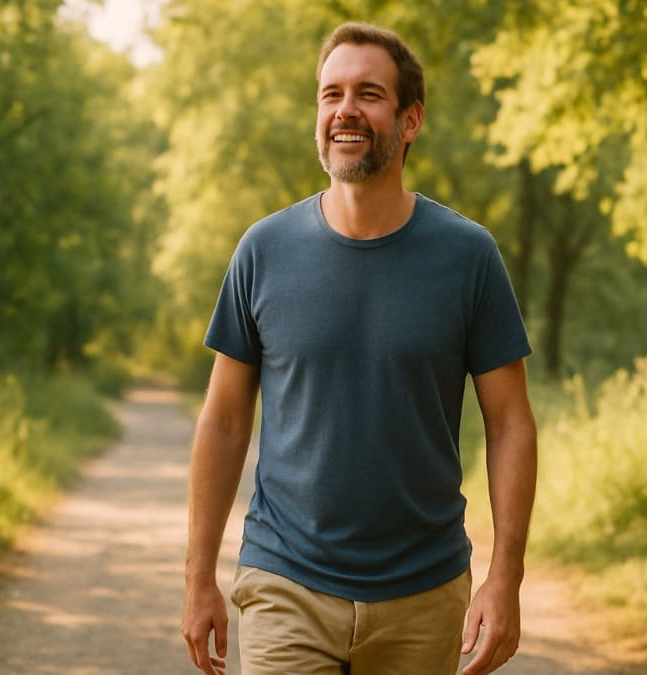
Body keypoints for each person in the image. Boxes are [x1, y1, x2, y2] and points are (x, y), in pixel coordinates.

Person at [180, 21, 537, 675]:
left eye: (369, 94)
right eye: (330, 94)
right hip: (285, 581)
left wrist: (504, 576)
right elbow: (224, 420)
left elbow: (510, 420)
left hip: (424, 593)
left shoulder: (468, 257)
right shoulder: (262, 250)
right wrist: (197, 574)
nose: (345, 110)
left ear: (409, 120)